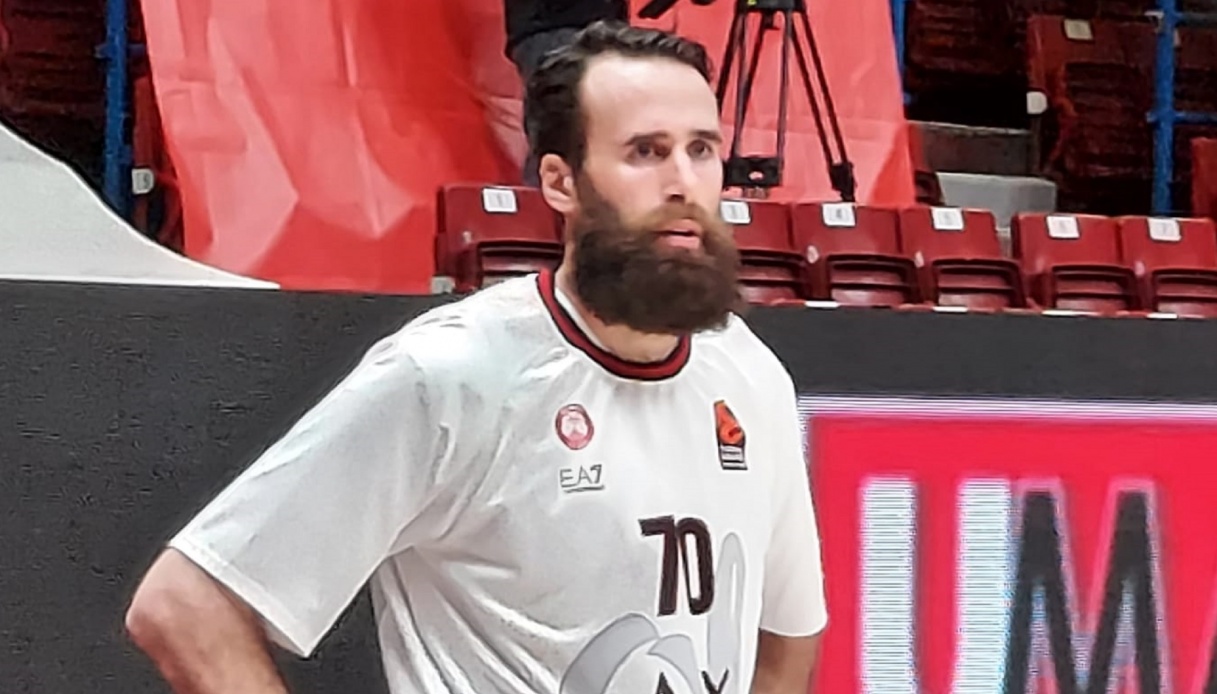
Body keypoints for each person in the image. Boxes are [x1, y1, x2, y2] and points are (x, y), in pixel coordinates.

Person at [124, 21, 828, 694]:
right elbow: (184, 604)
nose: (682, 182)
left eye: (701, 150)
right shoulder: (454, 373)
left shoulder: (749, 373)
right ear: (560, 182)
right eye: (645, 152)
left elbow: (787, 638)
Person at [504, 0, 628, 186]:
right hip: (555, 23)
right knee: (562, 129)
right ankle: (543, 199)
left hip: (579, 24)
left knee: (581, 128)